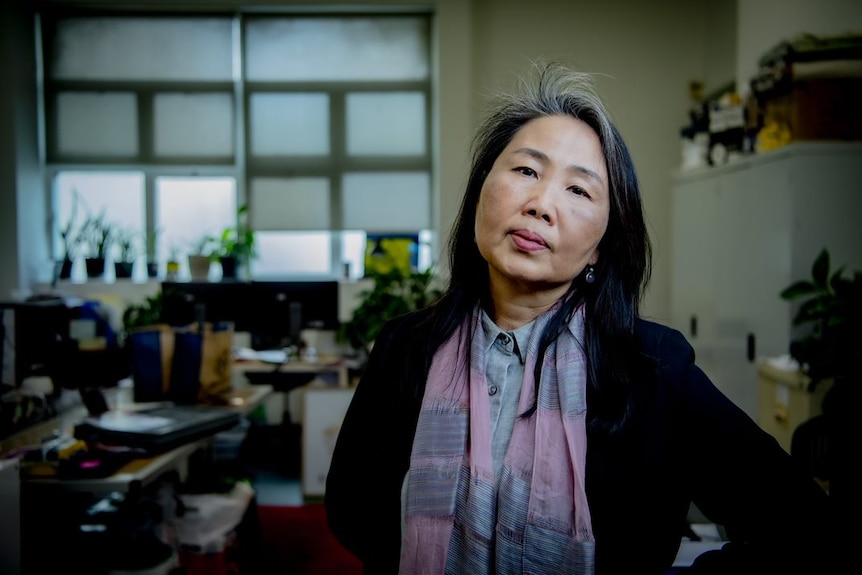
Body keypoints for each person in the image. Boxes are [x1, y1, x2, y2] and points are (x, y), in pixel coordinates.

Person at [324, 62, 837, 574]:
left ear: (600, 247)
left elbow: (802, 525)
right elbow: (353, 512)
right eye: (526, 170)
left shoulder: (653, 370)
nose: (542, 204)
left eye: (579, 190)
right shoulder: (405, 346)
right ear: (481, 191)